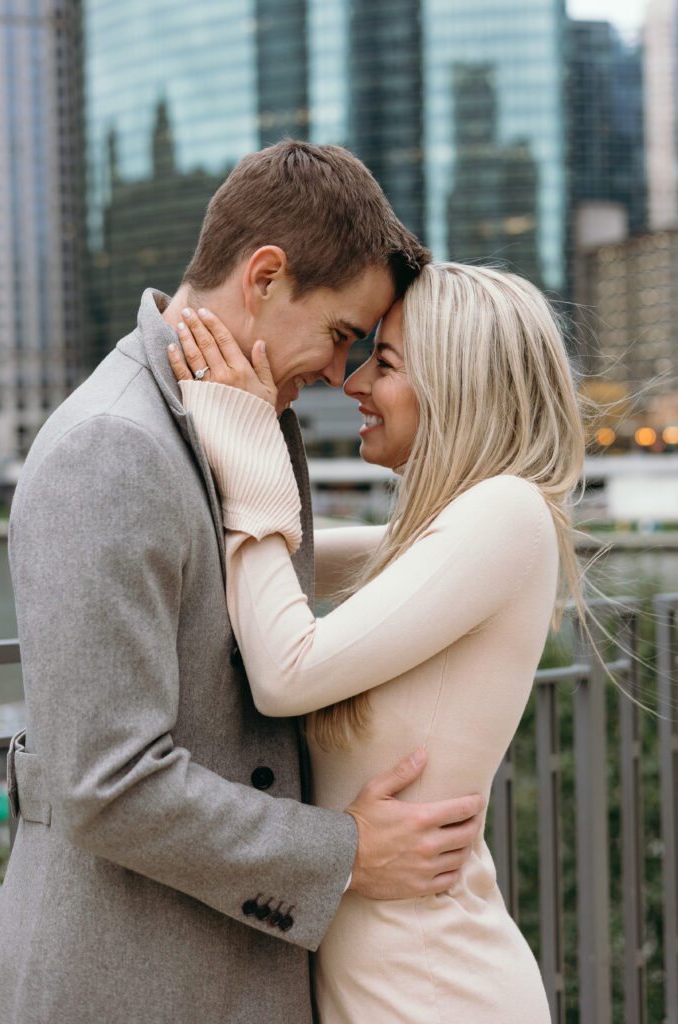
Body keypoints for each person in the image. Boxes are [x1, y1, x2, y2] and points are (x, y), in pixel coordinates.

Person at [0, 143, 484, 1024]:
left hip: (222, 970)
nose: (341, 373)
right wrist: (345, 853)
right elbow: (105, 782)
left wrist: (466, 551)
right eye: (340, 334)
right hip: (137, 982)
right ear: (264, 276)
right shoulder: (112, 448)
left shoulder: (233, 412)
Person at [167, 260, 587, 1023]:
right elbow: (283, 565)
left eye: (384, 363)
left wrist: (248, 436)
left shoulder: (505, 514)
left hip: (436, 995)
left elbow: (285, 671)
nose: (352, 383)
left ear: (458, 382)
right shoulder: (441, 535)